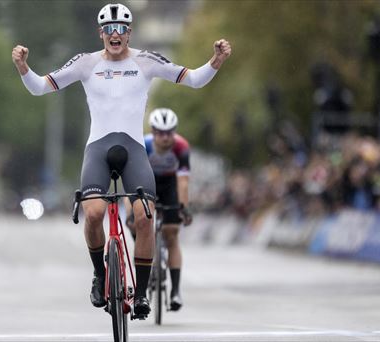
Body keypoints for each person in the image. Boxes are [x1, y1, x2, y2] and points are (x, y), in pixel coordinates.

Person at [12, 3, 231, 318]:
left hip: (133, 150)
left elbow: (194, 79)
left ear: (130, 33)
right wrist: (23, 67)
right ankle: (100, 275)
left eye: (121, 29)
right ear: (101, 33)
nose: (115, 35)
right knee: (93, 214)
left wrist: (216, 61)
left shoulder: (145, 61)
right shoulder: (85, 64)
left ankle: (141, 294)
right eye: (109, 29)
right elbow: (39, 88)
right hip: (98, 149)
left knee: (144, 217)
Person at [126, 108, 193, 311]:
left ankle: (175, 291)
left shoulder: (181, 147)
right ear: (153, 132)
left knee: (172, 233)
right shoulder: (144, 146)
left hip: (170, 185)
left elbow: (183, 182)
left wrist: (184, 208)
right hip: (147, 182)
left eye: (169, 132)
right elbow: (131, 183)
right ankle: (143, 255)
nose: (165, 138)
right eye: (160, 133)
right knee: (138, 224)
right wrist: (130, 212)